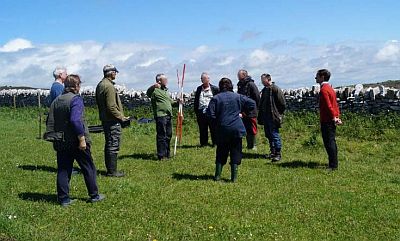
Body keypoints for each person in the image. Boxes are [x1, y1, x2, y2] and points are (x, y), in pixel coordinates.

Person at [44, 74, 105, 206]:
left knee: (63, 169)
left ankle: (63, 198)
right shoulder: (75, 99)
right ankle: (94, 195)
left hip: (61, 140)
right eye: (79, 85)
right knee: (88, 167)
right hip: (76, 141)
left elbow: (49, 120)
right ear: (76, 86)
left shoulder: (57, 100)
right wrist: (82, 139)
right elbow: (75, 120)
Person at [207, 77, 256, 182]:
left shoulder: (216, 98)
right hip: (236, 128)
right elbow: (252, 103)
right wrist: (244, 113)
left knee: (221, 151)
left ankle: (217, 176)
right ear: (231, 86)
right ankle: (234, 178)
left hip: (222, 128)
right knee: (236, 151)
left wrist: (217, 122)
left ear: (220, 87)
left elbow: (210, 115)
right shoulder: (238, 97)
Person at [95, 64, 128, 177]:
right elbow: (111, 107)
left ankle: (111, 169)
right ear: (111, 73)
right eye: (115, 72)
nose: (116, 74)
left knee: (109, 143)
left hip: (106, 119)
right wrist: (122, 117)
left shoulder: (101, 84)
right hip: (112, 120)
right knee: (113, 144)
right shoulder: (108, 86)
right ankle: (112, 171)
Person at [315, 69, 342, 171]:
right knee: (331, 141)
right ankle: (333, 163)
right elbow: (335, 105)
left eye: (317, 76)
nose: (315, 78)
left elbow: (328, 105)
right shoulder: (330, 88)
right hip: (331, 118)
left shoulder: (324, 90)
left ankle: (333, 165)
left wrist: (333, 117)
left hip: (327, 119)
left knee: (329, 142)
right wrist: (337, 116)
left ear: (322, 77)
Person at [146, 74, 177, 160]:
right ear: (159, 81)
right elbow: (148, 93)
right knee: (161, 135)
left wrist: (178, 102)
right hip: (160, 116)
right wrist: (153, 86)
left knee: (168, 135)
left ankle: (167, 153)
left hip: (168, 115)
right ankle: (161, 155)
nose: (167, 81)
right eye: (165, 79)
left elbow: (171, 102)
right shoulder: (154, 91)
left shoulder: (166, 91)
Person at [258, 74, 286, 162]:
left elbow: (282, 103)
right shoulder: (265, 90)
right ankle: (272, 152)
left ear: (268, 79)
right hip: (266, 116)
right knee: (269, 135)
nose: (262, 81)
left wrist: (278, 114)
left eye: (263, 80)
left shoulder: (275, 89)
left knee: (274, 134)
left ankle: (278, 154)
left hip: (273, 116)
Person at [193, 72, 219, 146]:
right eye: (202, 79)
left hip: (211, 112)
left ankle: (215, 142)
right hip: (201, 112)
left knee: (213, 128)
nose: (203, 80)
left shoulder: (215, 88)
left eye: (204, 79)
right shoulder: (199, 89)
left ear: (208, 79)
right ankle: (204, 143)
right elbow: (196, 100)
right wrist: (197, 111)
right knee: (202, 128)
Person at [237, 69, 260, 150]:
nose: (238, 76)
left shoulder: (251, 84)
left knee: (252, 127)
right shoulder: (240, 84)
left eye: (239, 75)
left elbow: (257, 97)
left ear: (244, 75)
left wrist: (255, 108)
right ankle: (249, 145)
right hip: (243, 110)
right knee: (246, 128)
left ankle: (253, 145)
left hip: (251, 110)